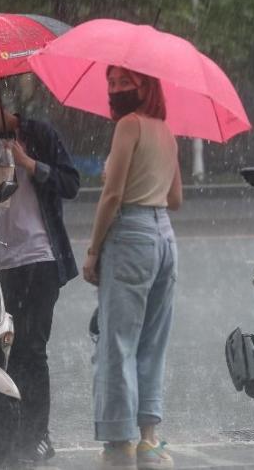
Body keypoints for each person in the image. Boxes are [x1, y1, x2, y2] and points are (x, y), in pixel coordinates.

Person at [0, 79, 80, 464]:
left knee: (31, 351)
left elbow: (70, 183)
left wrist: (29, 164)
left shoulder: (38, 134)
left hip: (38, 259)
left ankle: (37, 434)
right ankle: (4, 431)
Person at [84, 66, 182, 470]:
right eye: (111, 82)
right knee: (151, 344)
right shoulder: (166, 131)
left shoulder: (129, 125)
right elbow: (175, 198)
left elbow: (113, 195)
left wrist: (93, 251)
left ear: (146, 86)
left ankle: (118, 444)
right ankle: (149, 441)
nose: (116, 88)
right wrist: (150, 179)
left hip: (131, 233)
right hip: (163, 235)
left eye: (125, 81)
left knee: (117, 343)